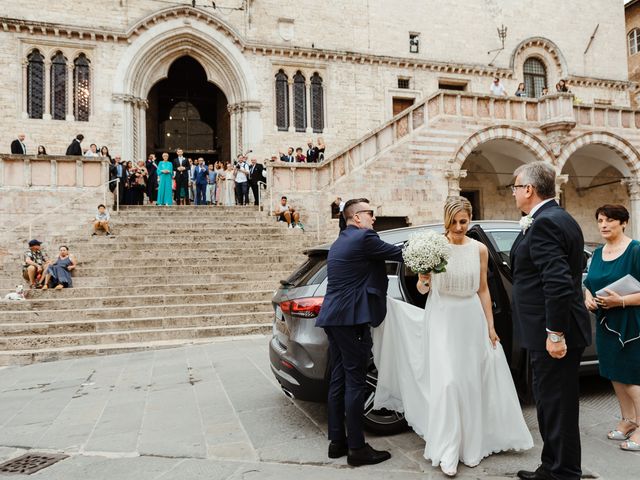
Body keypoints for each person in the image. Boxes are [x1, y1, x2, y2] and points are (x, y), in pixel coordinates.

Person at [373, 197, 533, 476]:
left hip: (470, 317)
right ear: (446, 220)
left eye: (464, 221)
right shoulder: (434, 249)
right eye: (454, 222)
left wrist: (490, 326)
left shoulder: (480, 249)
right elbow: (423, 291)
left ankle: (470, 447)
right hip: (443, 317)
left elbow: (483, 290)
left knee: (470, 382)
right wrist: (423, 278)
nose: (459, 227)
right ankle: (447, 448)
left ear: (470, 219)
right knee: (447, 383)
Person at [509, 161, 591, 480]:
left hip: (556, 332)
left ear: (529, 189)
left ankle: (564, 472)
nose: (514, 193)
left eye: (516, 187)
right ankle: (552, 466)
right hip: (554, 329)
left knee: (557, 407)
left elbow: (556, 282)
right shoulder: (559, 217)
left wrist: (554, 333)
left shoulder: (544, 223)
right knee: (551, 405)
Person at [315, 198, 403, 467]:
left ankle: (337, 442)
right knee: (355, 382)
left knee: (339, 379)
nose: (373, 218)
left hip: (333, 317)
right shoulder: (365, 237)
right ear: (356, 218)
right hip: (351, 320)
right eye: (370, 213)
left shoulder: (341, 240)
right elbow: (398, 253)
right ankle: (357, 448)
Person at [583, 205, 640, 452]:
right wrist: (587, 296)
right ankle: (629, 420)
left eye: (610, 221)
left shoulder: (635, 250)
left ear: (624, 223)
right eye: (600, 221)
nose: (604, 225)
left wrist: (622, 301)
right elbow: (590, 281)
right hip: (606, 321)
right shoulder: (597, 253)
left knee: (631, 377)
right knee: (614, 374)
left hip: (631, 322)